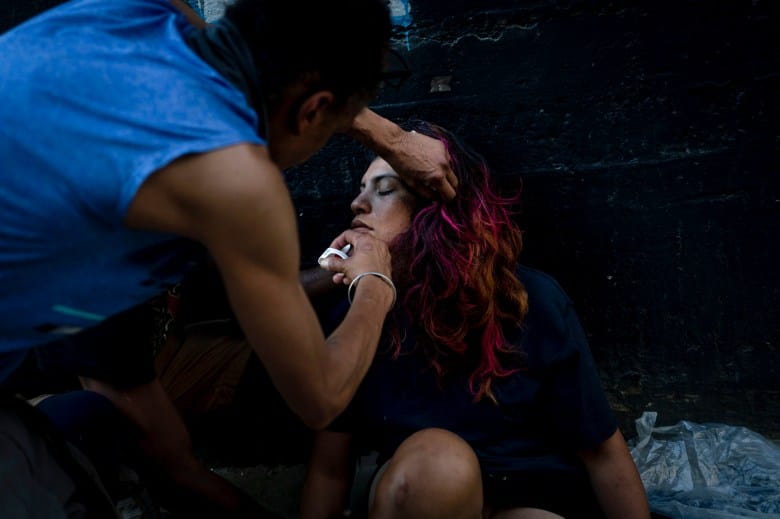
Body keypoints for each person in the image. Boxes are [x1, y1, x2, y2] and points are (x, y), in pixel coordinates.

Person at [0, 0, 457, 516]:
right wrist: (374, 281)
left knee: (84, 426)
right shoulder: (230, 179)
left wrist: (390, 137)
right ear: (311, 111)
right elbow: (321, 397)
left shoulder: (137, 11)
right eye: (329, 128)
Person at [301, 121, 651, 519]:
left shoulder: (530, 300)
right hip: (422, 495)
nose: (357, 204)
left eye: (384, 190)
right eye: (361, 189)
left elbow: (603, 454)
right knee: (440, 466)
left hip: (525, 495)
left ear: (436, 209)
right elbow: (329, 471)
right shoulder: (359, 312)